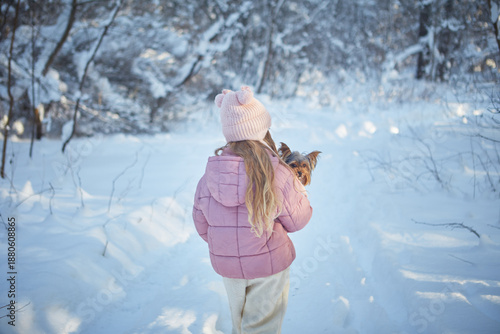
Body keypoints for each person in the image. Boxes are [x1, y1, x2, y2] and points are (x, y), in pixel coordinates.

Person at [192, 86, 313, 334]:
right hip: (269, 267)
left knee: (241, 327)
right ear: (261, 131)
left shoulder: (209, 175)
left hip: (229, 270)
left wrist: (227, 245)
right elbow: (297, 221)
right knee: (262, 328)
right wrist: (300, 193)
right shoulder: (277, 172)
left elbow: (201, 224)